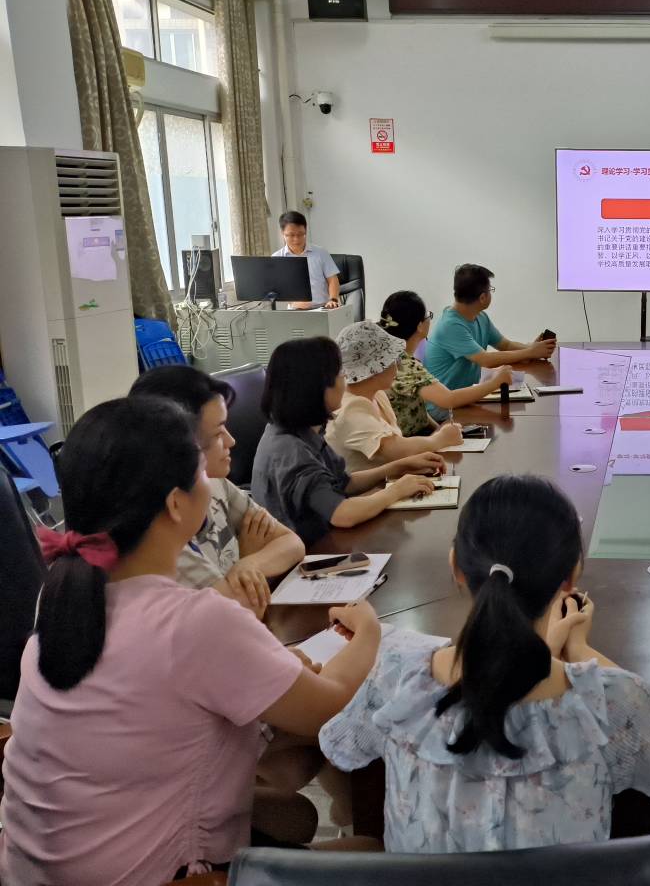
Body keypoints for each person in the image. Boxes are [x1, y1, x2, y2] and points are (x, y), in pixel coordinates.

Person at [0, 397, 384, 886]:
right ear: (176, 503)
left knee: (292, 810)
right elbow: (327, 706)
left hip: (34, 869)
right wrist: (367, 630)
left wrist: (276, 663)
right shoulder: (195, 621)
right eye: (200, 470)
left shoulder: (59, 599)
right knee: (373, 851)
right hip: (162, 876)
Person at [319, 475, 650, 853]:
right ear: (571, 576)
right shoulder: (607, 704)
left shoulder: (396, 679)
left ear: (456, 566)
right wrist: (579, 648)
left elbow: (341, 747)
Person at [129, 366, 304, 619]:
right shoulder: (163, 533)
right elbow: (238, 616)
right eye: (218, 432)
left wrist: (249, 565)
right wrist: (247, 558)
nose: (231, 441)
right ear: (180, 442)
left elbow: (292, 543)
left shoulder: (215, 484)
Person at [251, 337, 442, 545]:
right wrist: (396, 490)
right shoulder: (290, 450)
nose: (345, 378)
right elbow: (343, 514)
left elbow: (344, 483)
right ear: (316, 387)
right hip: (311, 553)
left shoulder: (301, 430)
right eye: (340, 373)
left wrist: (398, 467)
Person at [327, 320, 466, 472]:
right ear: (376, 368)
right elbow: (393, 449)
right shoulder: (350, 409)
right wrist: (439, 439)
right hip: (373, 486)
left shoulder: (377, 395)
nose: (398, 366)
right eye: (394, 360)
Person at [379, 290, 515, 435]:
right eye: (428, 315)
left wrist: (438, 431)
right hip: (411, 441)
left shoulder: (393, 358)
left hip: (421, 434)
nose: (430, 319)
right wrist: (496, 382)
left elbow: (419, 407)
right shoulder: (406, 365)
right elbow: (449, 399)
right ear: (419, 326)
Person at [423, 264, 556, 409]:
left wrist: (533, 348)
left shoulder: (480, 317)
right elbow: (486, 360)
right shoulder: (450, 326)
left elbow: (505, 345)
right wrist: (530, 352)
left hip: (468, 400)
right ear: (482, 297)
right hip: (446, 409)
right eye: (490, 289)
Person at [272, 210, 340, 310]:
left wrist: (333, 299)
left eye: (300, 234)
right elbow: (277, 289)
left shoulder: (320, 253)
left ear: (306, 231)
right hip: (295, 310)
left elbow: (333, 279)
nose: (296, 239)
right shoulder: (276, 258)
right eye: (291, 235)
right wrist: (293, 302)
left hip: (323, 308)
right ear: (283, 233)